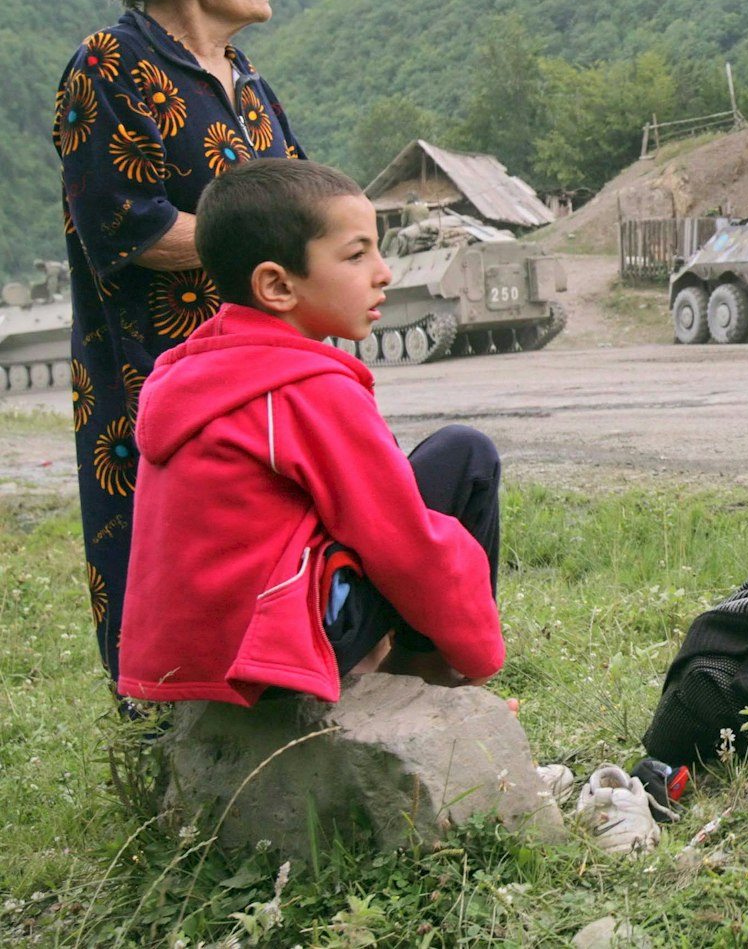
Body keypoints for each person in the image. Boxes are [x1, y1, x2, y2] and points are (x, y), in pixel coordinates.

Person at [116, 159, 505, 704]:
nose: (383, 272)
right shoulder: (306, 390)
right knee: (466, 457)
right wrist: (479, 654)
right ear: (277, 285)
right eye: (357, 254)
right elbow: (404, 545)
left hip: (193, 663)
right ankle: (432, 673)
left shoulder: (191, 371)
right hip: (270, 664)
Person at [56, 0, 305, 686]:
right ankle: (177, 768)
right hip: (162, 390)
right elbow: (133, 231)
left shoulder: (250, 82)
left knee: (280, 571)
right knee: (170, 598)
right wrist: (279, 255)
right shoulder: (107, 65)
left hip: (273, 379)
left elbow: (305, 205)